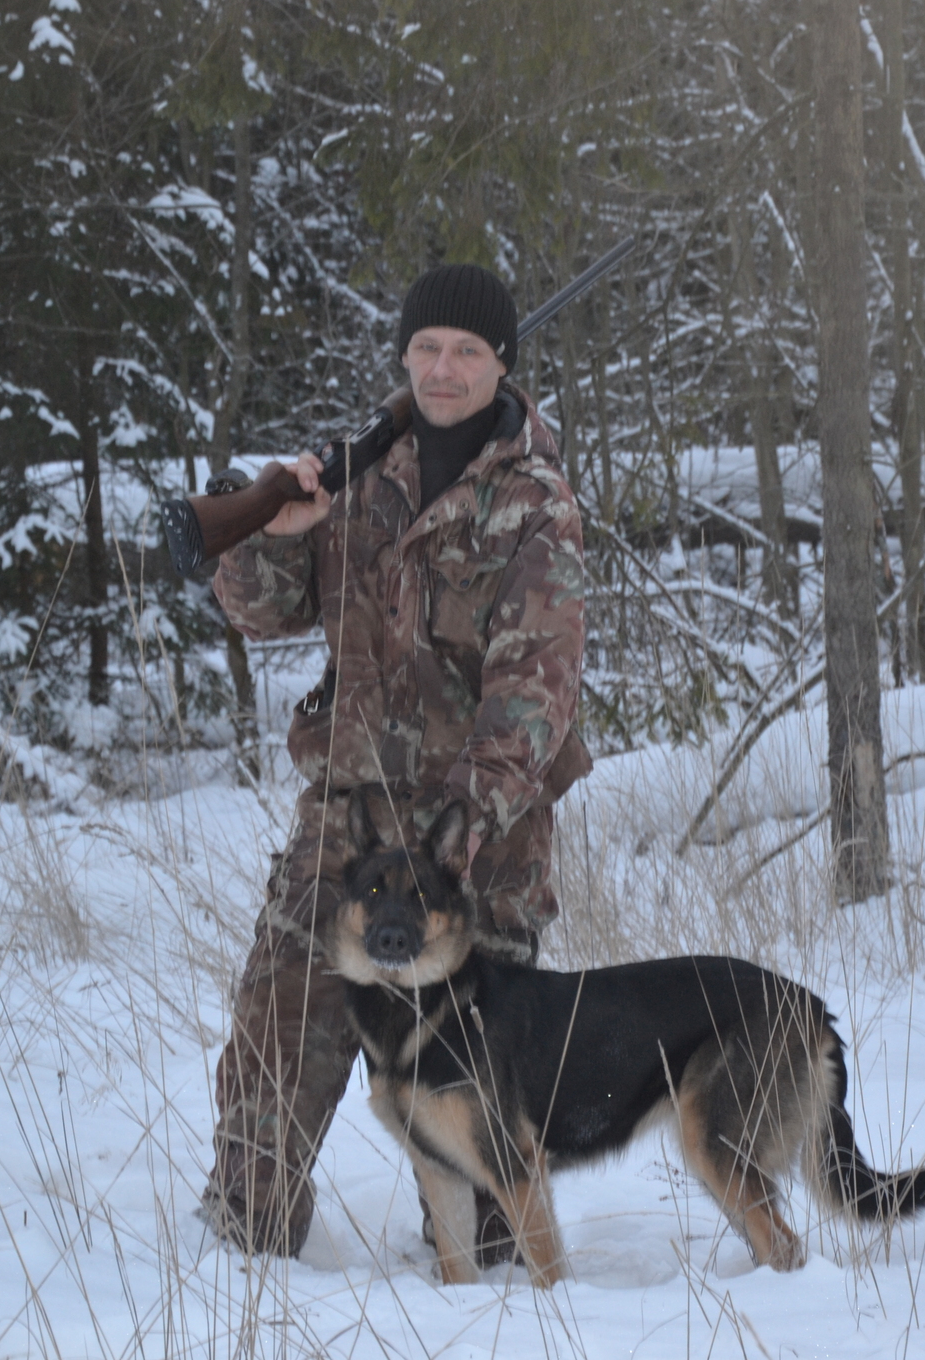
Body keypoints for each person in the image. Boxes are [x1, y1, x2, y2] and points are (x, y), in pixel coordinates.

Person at [201, 263, 592, 1257]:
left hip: (473, 855)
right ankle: (244, 1245)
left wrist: (444, 840)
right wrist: (278, 535)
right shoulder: (357, 478)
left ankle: (488, 1267)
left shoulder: (533, 505)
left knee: (474, 1106)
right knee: (275, 1032)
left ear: (500, 362)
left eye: (465, 350)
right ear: (403, 354)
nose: (442, 369)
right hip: (343, 828)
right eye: (425, 348)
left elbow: (533, 704)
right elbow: (253, 610)